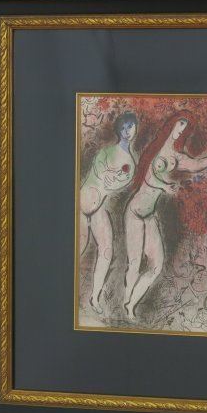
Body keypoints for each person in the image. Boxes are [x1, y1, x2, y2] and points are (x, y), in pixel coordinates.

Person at [123, 110, 207, 319]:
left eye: (184, 128)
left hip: (149, 216)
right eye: (179, 125)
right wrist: (164, 186)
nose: (180, 131)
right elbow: (149, 178)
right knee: (134, 263)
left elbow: (196, 165)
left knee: (156, 265)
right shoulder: (156, 149)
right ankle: (126, 302)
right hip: (135, 212)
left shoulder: (175, 157)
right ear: (171, 124)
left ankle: (130, 304)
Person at [80, 111, 138, 313]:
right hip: (83, 204)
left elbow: (118, 185)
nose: (126, 131)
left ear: (135, 128)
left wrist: (112, 179)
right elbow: (98, 172)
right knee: (77, 248)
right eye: (123, 127)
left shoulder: (131, 164)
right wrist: (109, 175)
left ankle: (94, 298)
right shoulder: (107, 151)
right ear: (118, 130)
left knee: (106, 250)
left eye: (130, 127)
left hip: (99, 207)